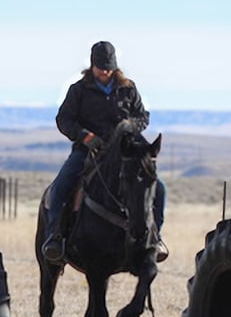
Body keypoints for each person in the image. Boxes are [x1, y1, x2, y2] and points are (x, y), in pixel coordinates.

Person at [41, 40, 168, 263]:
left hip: (124, 153)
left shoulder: (128, 88)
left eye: (109, 68)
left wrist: (129, 126)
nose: (105, 72)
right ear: (92, 66)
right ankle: (55, 237)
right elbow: (64, 120)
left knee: (159, 189)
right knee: (60, 187)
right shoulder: (78, 90)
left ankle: (155, 239)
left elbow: (143, 117)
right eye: (101, 68)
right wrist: (84, 136)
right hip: (87, 151)